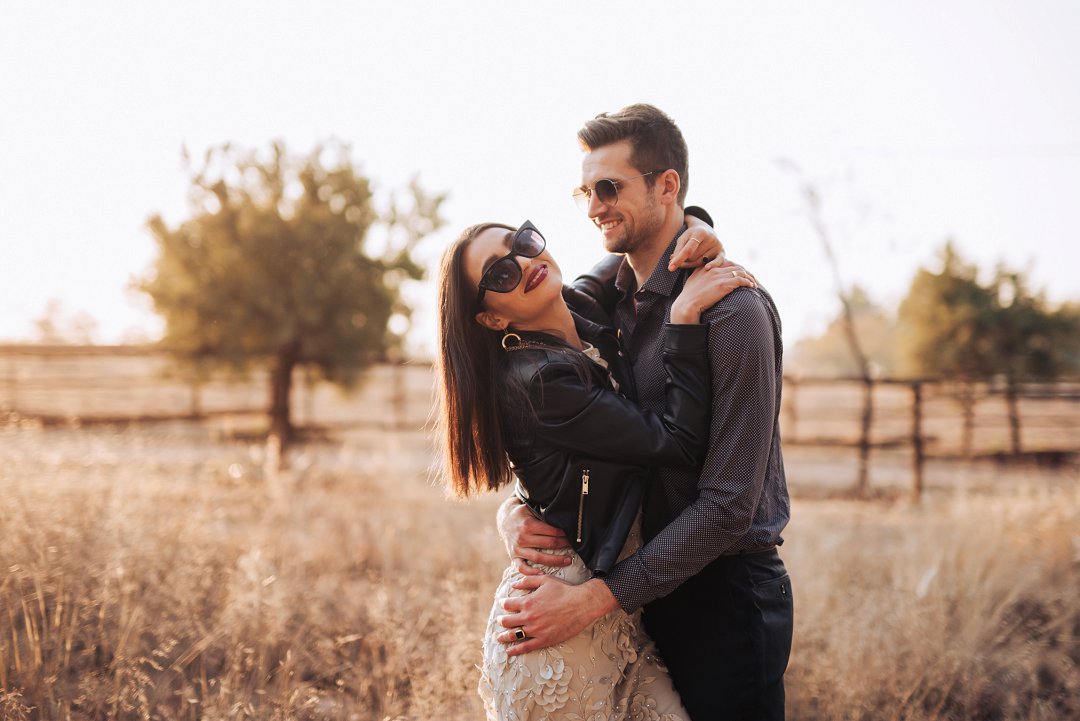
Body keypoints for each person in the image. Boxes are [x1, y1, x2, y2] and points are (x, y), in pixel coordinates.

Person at [496, 104, 793, 720]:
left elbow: (731, 504)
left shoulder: (733, 312)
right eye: (586, 190)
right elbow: (566, 430)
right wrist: (515, 509)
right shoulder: (611, 305)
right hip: (641, 595)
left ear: (667, 185)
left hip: (725, 599)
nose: (594, 206)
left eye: (610, 188)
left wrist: (598, 598)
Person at [434, 218, 757, 720]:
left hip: (611, 610)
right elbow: (676, 438)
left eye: (521, 242)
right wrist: (685, 316)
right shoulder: (539, 377)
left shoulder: (579, 305)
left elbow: (640, 241)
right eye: (498, 275)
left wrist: (695, 220)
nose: (523, 264)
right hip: (554, 618)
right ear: (492, 320)